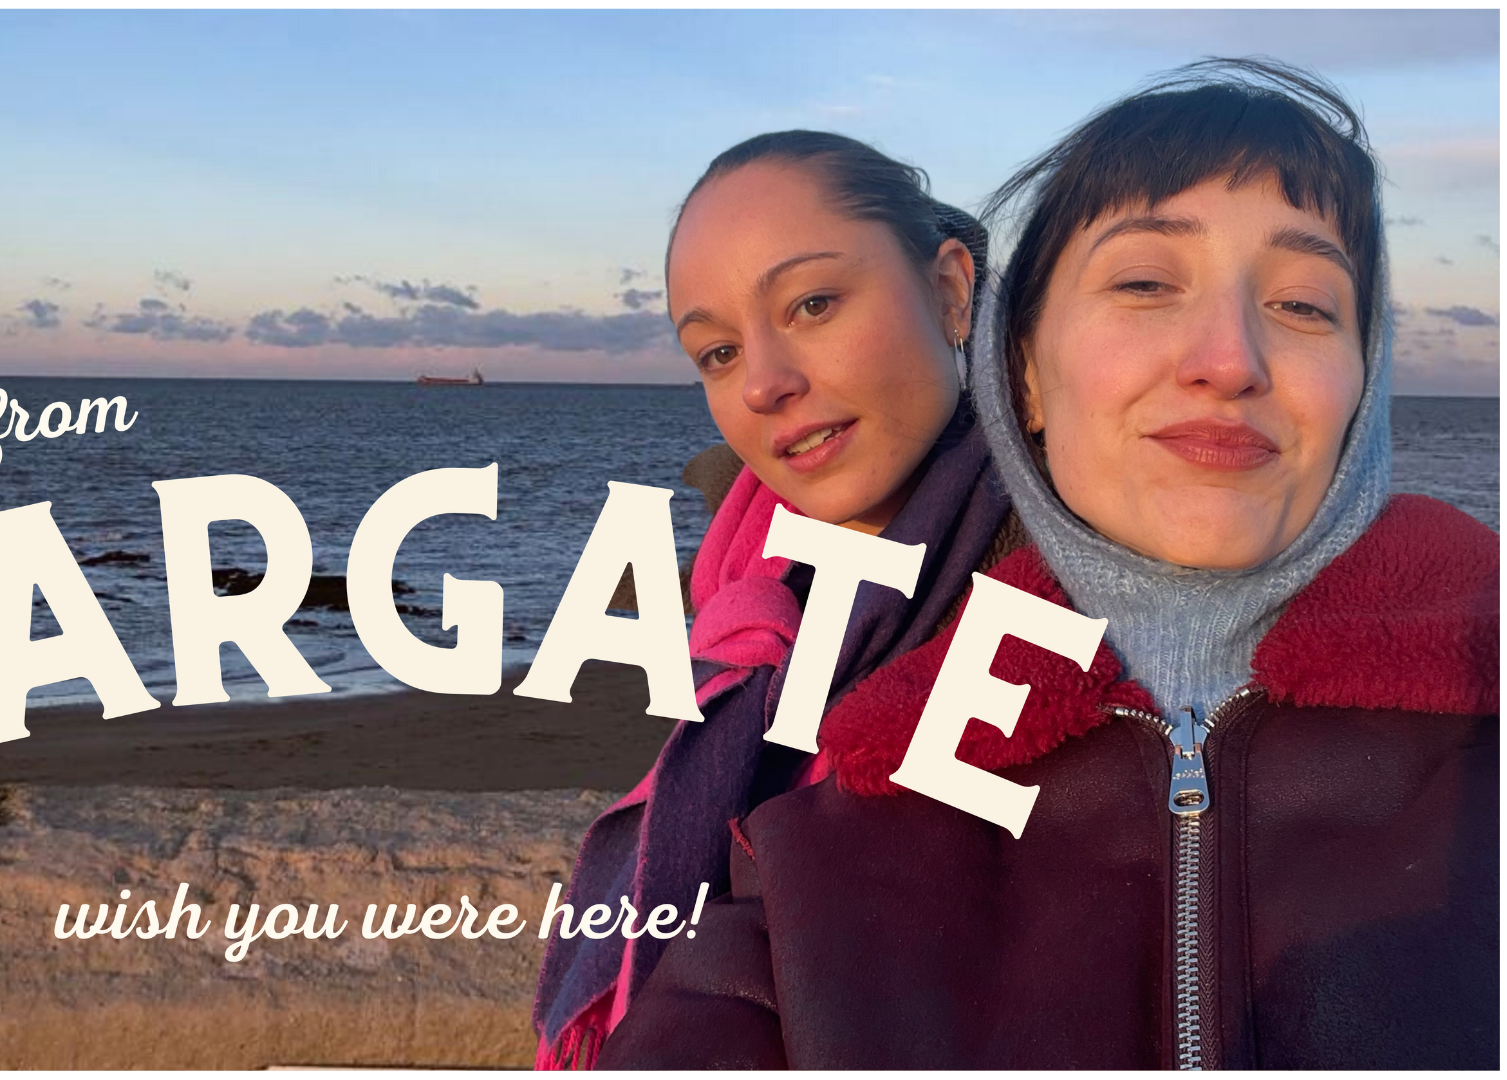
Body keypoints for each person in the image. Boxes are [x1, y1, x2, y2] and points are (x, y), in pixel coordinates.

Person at [596, 59, 1500, 1070]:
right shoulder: (830, 832)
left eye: (1304, 304)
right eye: (1149, 283)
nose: (1228, 356)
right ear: (1023, 373)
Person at [534, 131, 1018, 1068]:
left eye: (814, 303)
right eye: (716, 352)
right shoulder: (750, 593)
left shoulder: (1093, 597)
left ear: (950, 291)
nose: (763, 382)